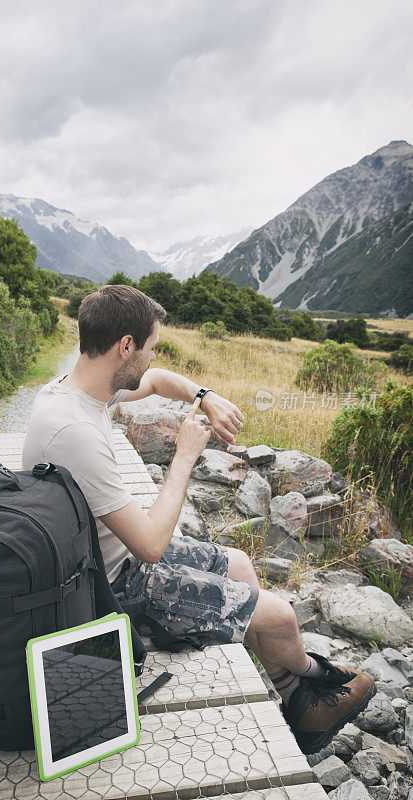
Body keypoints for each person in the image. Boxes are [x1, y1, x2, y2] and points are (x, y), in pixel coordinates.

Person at [21, 284, 375, 755]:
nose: (152, 358)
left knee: (242, 567)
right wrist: (185, 456)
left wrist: (205, 395)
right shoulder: (76, 432)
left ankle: (294, 697)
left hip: (106, 553)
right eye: (149, 347)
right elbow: (148, 544)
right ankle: (314, 680)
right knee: (280, 615)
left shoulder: (77, 391)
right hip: (108, 586)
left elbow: (158, 379)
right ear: (125, 346)